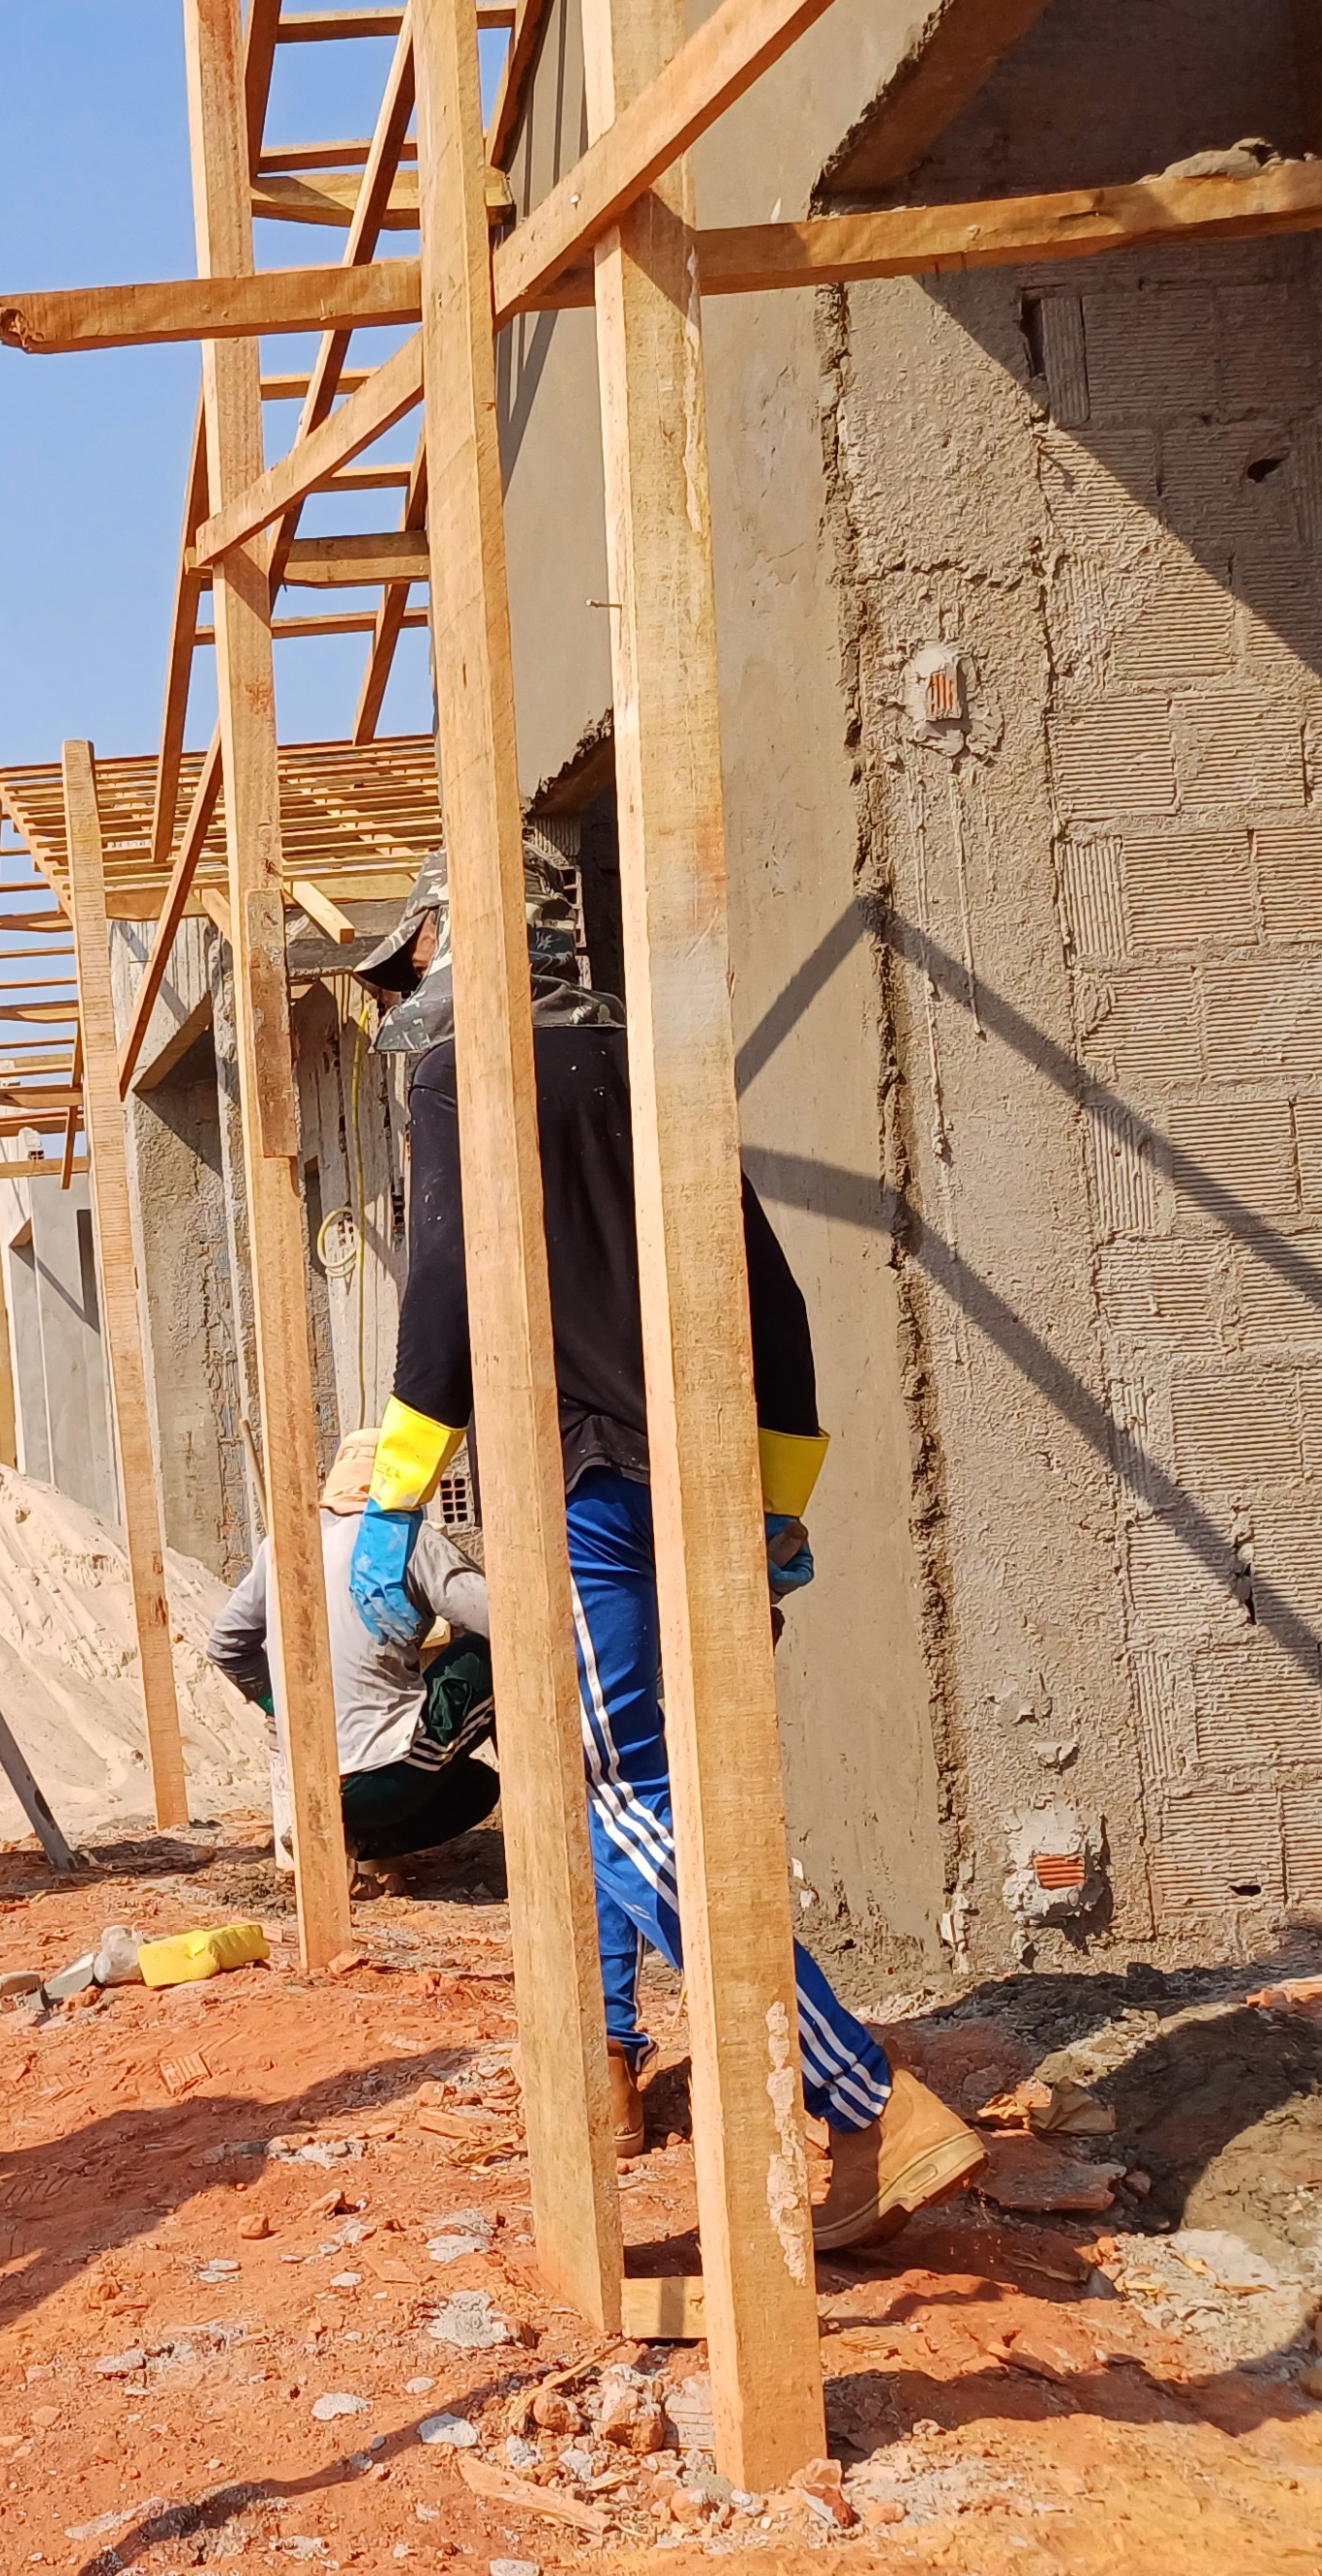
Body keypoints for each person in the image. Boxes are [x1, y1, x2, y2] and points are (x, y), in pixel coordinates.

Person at [343, 855, 984, 2247]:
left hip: (582, 1485)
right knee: (612, 1776)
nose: (402, 996)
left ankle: (865, 2102)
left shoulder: (462, 1072)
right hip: (699, 1480)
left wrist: (395, 1501)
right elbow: (774, 1296)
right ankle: (607, 2067)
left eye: (410, 964)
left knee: (624, 1787)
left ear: (452, 937)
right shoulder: (648, 1064)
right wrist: (777, 1501)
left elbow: (444, 1293)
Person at [206, 1433, 500, 1869]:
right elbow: (504, 1622)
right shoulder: (404, 1539)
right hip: (384, 1777)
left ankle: (347, 1841)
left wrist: (278, 1705)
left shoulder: (282, 1545)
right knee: (485, 1656)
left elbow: (226, 1646)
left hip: (308, 1783)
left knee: (475, 1783)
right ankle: (547, 1806)